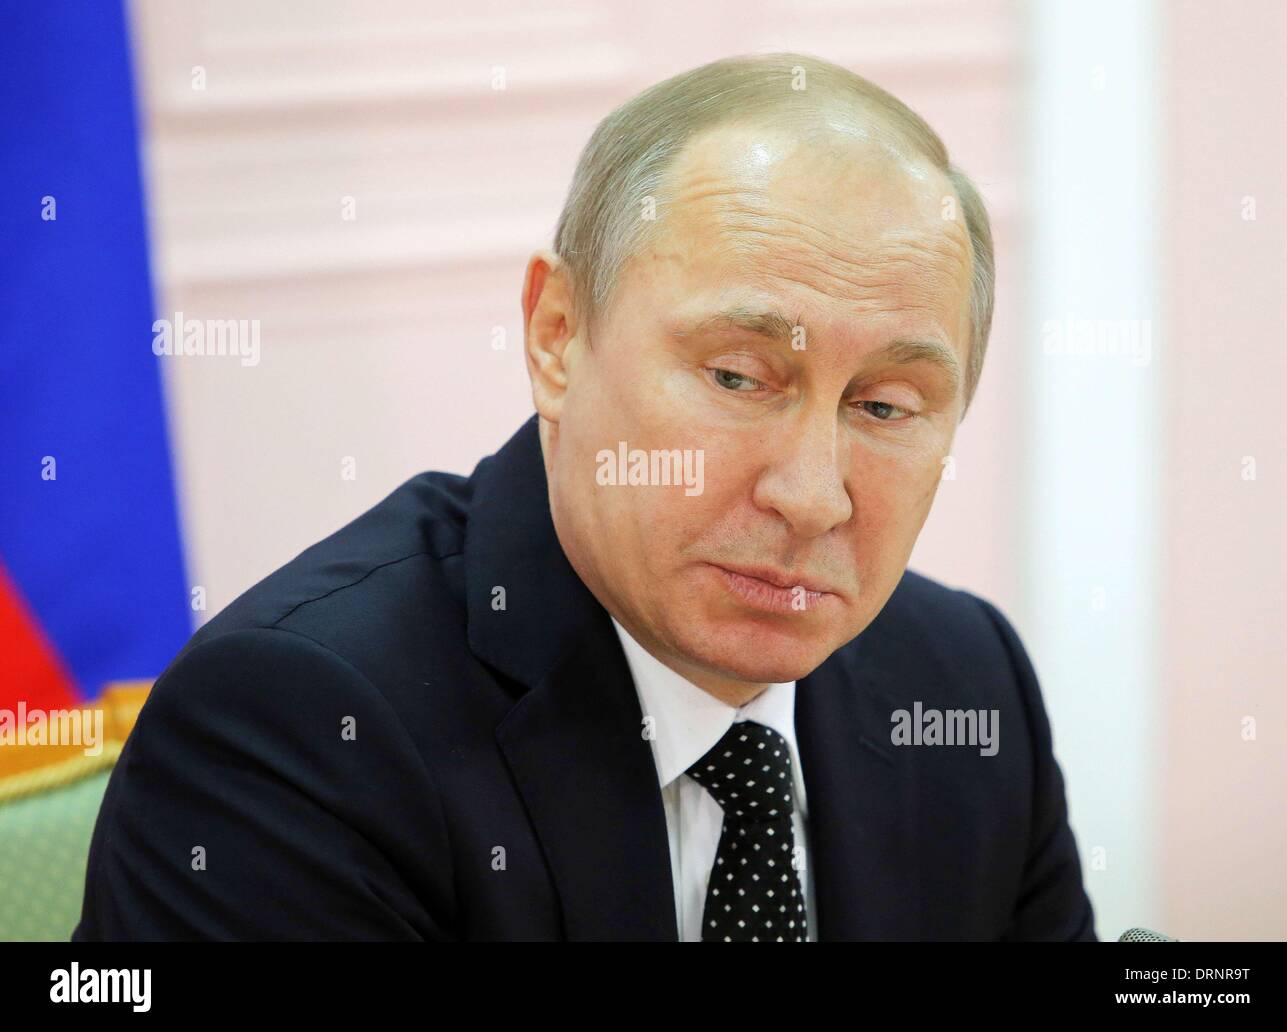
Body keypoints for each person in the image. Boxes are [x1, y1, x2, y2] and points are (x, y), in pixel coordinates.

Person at [74, 52, 1097, 941]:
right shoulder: (299, 728)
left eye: (883, 406)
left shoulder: (962, 683)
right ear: (556, 335)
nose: (810, 496)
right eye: (737, 378)